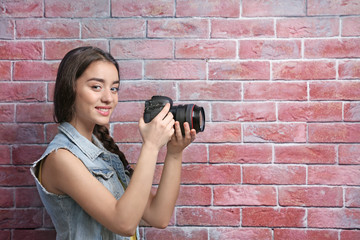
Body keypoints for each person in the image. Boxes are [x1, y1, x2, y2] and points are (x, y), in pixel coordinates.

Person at [30, 46, 196, 239]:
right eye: (96, 87)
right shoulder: (61, 158)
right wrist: (150, 146)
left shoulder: (105, 155)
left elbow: (158, 217)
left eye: (114, 88)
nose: (108, 98)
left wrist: (174, 153)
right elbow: (123, 223)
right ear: (70, 88)